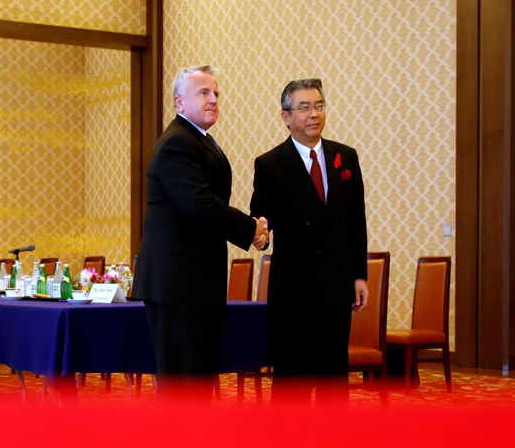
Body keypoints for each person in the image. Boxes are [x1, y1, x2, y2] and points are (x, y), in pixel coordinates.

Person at [134, 65, 268, 391]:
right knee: (184, 380)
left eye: (216, 94)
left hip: (194, 281)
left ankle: (197, 440)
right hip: (177, 284)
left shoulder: (198, 140)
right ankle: (182, 442)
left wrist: (249, 227)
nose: (213, 100)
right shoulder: (177, 144)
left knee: (199, 374)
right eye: (203, 93)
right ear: (180, 103)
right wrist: (249, 227)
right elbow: (199, 204)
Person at [249, 78, 368, 402]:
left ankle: (333, 447)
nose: (314, 114)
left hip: (336, 285)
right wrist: (260, 233)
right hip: (294, 288)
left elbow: (356, 221)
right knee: (293, 377)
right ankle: (288, 447)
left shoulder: (346, 157)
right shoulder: (271, 163)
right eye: (304, 107)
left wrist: (359, 274)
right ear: (286, 117)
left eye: (318, 106)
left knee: (333, 376)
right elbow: (261, 214)